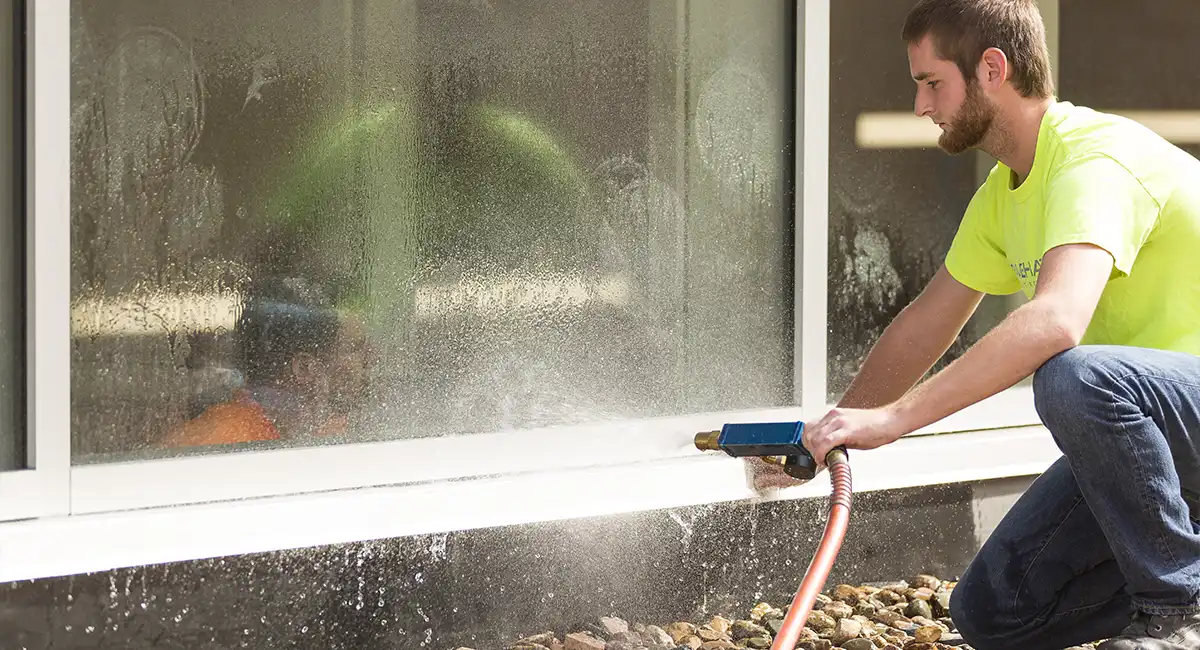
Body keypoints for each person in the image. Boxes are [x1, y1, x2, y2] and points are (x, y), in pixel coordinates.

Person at [750, 1, 1200, 648]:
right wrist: (831, 433)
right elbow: (925, 326)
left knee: (1076, 379)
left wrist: (896, 420)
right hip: (1166, 443)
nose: (920, 106)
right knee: (994, 612)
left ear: (992, 68)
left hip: (1183, 420)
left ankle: (1180, 609)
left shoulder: (1093, 159)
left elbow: (1055, 322)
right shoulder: (1004, 195)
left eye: (932, 82)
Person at [160, 278, 371, 448]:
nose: (370, 357)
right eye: (353, 348)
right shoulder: (223, 444)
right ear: (304, 368)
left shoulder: (319, 433)